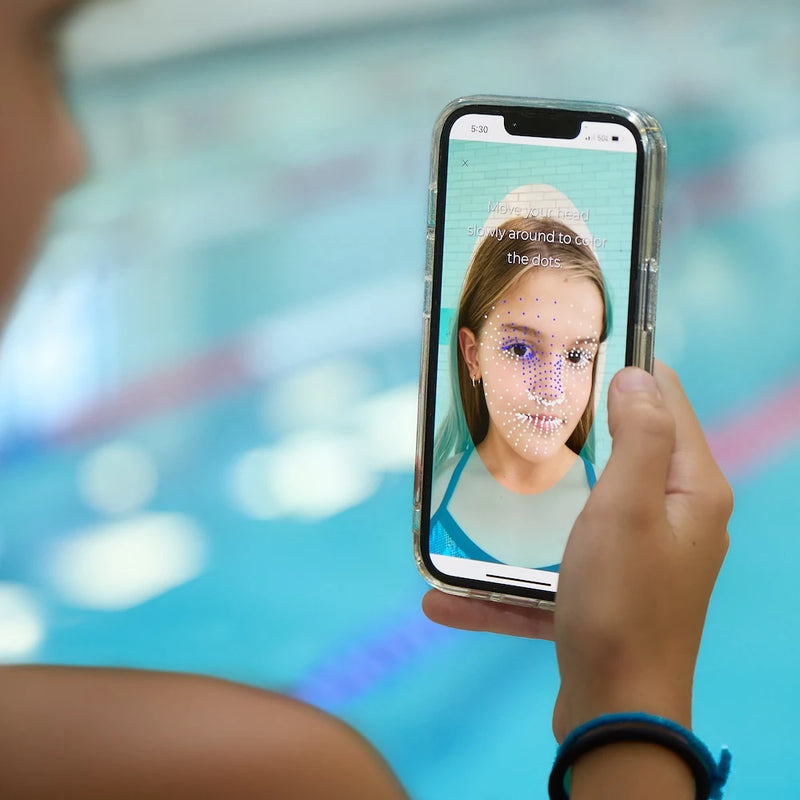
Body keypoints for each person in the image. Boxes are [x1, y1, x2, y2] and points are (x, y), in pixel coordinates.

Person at [0, 2, 733, 798]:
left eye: (582, 354)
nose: (73, 154)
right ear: (471, 354)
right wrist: (634, 706)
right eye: (40, 45)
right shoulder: (259, 774)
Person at [431, 214, 608, 570]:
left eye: (576, 356)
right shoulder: (432, 497)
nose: (551, 390)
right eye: (521, 350)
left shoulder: (618, 513)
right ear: (472, 355)